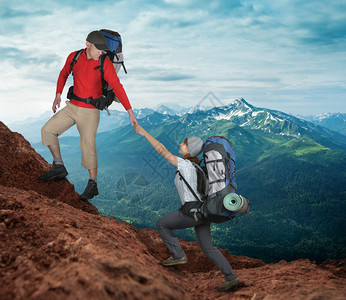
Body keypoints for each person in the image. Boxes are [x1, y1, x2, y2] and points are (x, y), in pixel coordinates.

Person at [134, 124, 240, 292]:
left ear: (190, 150)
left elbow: (161, 150)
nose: (180, 146)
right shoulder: (199, 167)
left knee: (162, 224)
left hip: (191, 211)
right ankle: (231, 277)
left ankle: (178, 255)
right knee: (208, 247)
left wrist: (144, 132)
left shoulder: (186, 165)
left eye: (183, 144)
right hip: (204, 211)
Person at [40, 31, 137, 200]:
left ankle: (93, 184)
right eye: (99, 49)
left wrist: (130, 111)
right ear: (87, 44)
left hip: (90, 111)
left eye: (103, 50)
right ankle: (58, 166)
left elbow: (116, 86)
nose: (101, 52)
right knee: (47, 131)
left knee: (87, 144)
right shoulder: (74, 57)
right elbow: (63, 73)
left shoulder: (104, 62)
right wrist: (57, 94)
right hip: (72, 106)